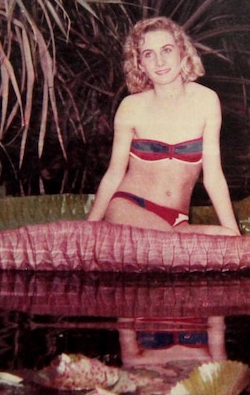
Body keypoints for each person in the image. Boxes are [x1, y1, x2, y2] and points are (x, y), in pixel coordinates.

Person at [87, 17, 241, 236]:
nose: (159, 61)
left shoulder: (206, 101)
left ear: (182, 52)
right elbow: (114, 173)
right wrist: (88, 228)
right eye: (149, 54)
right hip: (130, 208)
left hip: (177, 222)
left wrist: (233, 232)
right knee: (171, 243)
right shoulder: (131, 107)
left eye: (167, 50)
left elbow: (213, 176)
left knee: (224, 238)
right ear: (140, 64)